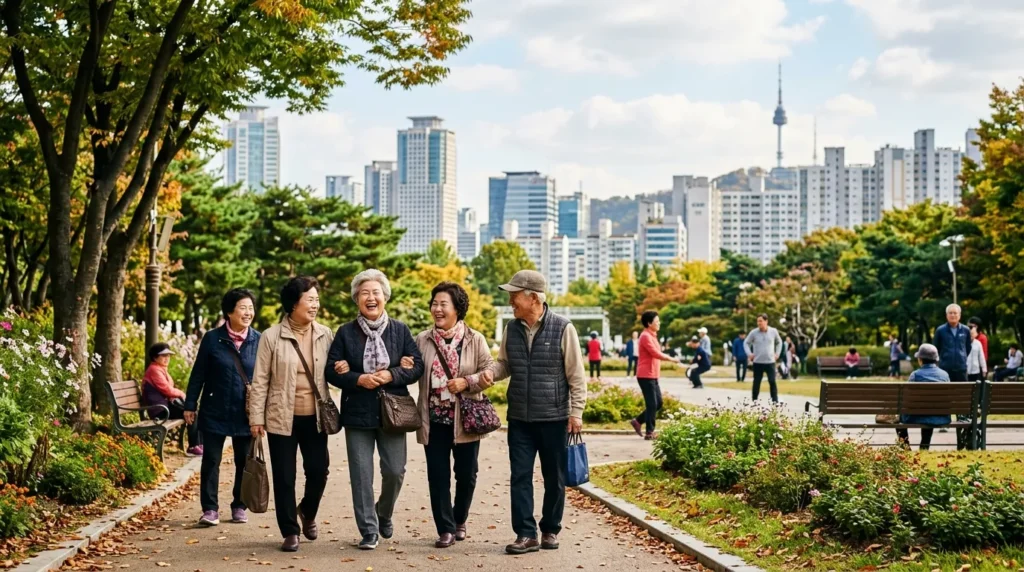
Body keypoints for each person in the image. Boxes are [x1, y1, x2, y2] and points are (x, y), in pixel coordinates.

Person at [324, 269, 424, 551]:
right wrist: (357, 378)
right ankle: (369, 530)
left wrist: (392, 375)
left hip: (393, 412)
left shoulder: (400, 330)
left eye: (375, 292)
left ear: (385, 297)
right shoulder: (345, 332)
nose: (371, 297)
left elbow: (416, 365)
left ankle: (384, 512)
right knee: (361, 474)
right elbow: (331, 370)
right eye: (364, 293)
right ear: (357, 299)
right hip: (357, 412)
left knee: (395, 471)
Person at [490, 270, 587, 556]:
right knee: (520, 476)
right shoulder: (512, 328)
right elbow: (504, 365)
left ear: (533, 297)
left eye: (514, 295)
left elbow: (576, 375)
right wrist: (486, 374)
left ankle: (550, 529)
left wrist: (576, 412)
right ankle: (525, 534)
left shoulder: (563, 328)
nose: (510, 300)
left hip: (554, 417)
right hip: (519, 417)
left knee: (554, 477)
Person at [248, 277, 335, 552]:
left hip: (316, 417)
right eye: (310, 299)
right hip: (280, 416)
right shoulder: (271, 336)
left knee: (318, 472)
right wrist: (256, 418)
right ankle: (289, 531)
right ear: (293, 303)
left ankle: (307, 512)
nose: (315, 305)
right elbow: (260, 380)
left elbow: (336, 368)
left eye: (317, 300)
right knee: (285, 476)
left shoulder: (325, 333)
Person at [413, 282, 495, 548]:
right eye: (434, 304)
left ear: (457, 309)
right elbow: (413, 368)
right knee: (437, 476)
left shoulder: (475, 339)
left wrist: (467, 382)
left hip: (466, 419)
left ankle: (460, 519)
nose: (437, 309)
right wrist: (404, 364)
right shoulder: (423, 339)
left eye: (443, 304)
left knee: (466, 474)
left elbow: (490, 370)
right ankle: (445, 528)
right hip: (434, 419)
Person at [184, 288, 260, 527]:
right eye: (242, 308)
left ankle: (239, 505)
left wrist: (264, 413)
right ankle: (209, 509)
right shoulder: (212, 338)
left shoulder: (259, 340)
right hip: (214, 408)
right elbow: (199, 374)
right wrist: (190, 404)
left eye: (250, 308)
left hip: (245, 412)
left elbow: (267, 378)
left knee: (244, 461)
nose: (248, 313)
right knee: (211, 461)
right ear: (229, 312)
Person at [143, 343, 202, 456]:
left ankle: (198, 444)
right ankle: (194, 446)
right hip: (159, 411)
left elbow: (168, 389)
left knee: (192, 410)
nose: (167, 358)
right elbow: (167, 390)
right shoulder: (154, 370)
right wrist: (182, 394)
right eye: (163, 356)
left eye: (168, 356)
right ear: (155, 357)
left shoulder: (160, 368)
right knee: (191, 412)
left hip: (165, 407)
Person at [629, 311, 681, 440]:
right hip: (645, 375)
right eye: (656, 322)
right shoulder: (645, 336)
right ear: (649, 323)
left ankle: (638, 421)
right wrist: (671, 359)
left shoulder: (652, 335)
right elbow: (655, 353)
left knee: (658, 403)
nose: (659, 324)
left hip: (653, 375)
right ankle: (650, 432)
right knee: (652, 404)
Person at [895, 344, 950, 450]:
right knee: (931, 409)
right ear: (936, 360)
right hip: (939, 417)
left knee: (899, 421)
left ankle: (906, 448)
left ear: (920, 360)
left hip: (917, 416)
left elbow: (907, 397)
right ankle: (924, 446)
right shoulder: (945, 375)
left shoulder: (915, 375)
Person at [933, 303, 972, 450]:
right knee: (946, 396)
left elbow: (967, 348)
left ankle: (962, 420)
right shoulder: (941, 330)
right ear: (946, 315)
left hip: (961, 368)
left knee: (961, 396)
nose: (953, 315)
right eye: (950, 313)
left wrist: (961, 358)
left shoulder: (966, 330)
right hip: (945, 369)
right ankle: (944, 422)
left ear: (960, 315)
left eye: (955, 313)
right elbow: (936, 348)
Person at [744, 315, 783, 403]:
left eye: (761, 321)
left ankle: (775, 401)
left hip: (770, 362)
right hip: (758, 362)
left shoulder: (773, 331)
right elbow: (746, 343)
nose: (759, 323)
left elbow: (779, 342)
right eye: (758, 321)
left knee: (772, 381)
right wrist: (749, 354)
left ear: (766, 321)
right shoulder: (754, 333)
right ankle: (754, 401)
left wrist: (777, 353)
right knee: (756, 382)